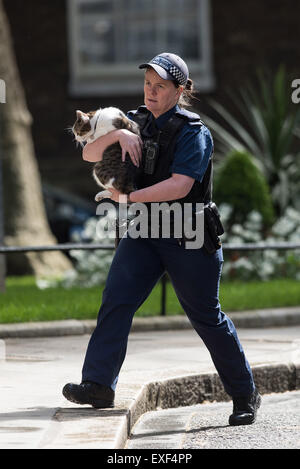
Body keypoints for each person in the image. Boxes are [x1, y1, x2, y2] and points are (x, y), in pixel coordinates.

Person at [63, 53, 261, 426]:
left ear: (181, 90)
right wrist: (119, 134)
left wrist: (128, 198)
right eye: (147, 84)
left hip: (188, 232)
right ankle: (98, 385)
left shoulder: (193, 132)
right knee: (116, 301)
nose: (151, 92)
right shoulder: (134, 122)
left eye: (160, 86)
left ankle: (243, 392)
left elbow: (180, 185)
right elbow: (90, 153)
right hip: (144, 230)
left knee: (206, 317)